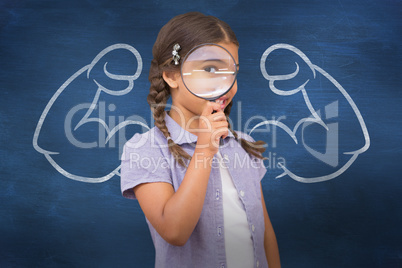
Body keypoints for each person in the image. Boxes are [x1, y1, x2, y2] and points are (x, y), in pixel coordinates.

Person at [120, 12, 280, 268]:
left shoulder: (243, 144)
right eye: (211, 69)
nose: (226, 83)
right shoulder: (145, 149)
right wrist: (204, 150)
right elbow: (174, 231)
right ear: (171, 75)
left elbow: (265, 234)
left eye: (232, 72)